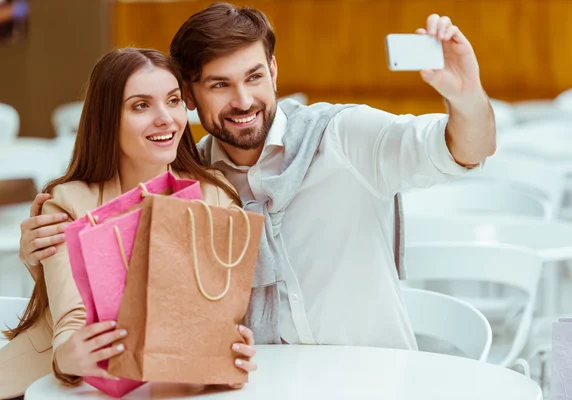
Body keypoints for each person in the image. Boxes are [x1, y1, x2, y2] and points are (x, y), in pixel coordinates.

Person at [20, 3, 495, 350]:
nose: (243, 101)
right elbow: (133, 287)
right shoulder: (195, 184)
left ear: (273, 69)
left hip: (371, 379)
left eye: (253, 77)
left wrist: (466, 94)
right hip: (261, 384)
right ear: (189, 95)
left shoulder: (343, 137)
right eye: (220, 85)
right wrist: (41, 258)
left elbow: (465, 150)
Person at [0, 48, 257, 400]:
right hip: (46, 387)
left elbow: (217, 315)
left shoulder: (214, 195)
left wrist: (229, 347)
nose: (165, 118)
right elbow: (70, 319)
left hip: (179, 388)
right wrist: (69, 354)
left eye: (173, 100)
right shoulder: (67, 202)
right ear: (107, 119)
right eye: (140, 105)